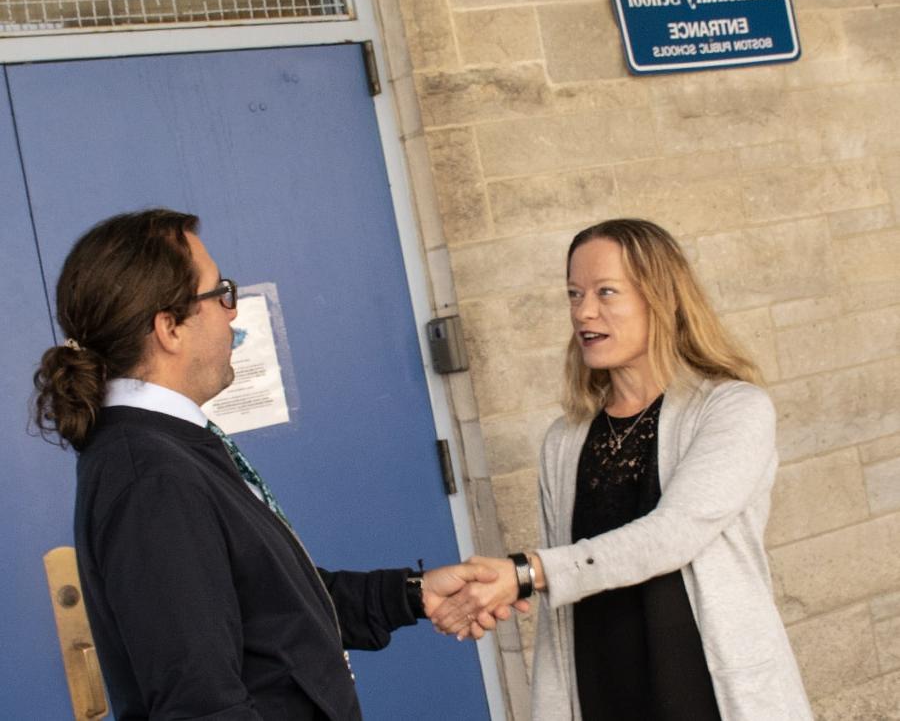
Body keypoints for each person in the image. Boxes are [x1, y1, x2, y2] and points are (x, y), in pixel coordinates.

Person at [32, 208, 516, 720]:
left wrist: (412, 594)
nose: (231, 311)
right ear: (169, 327)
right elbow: (201, 704)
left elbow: (273, 605)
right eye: (218, 294)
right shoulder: (151, 478)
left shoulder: (170, 448)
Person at [431, 218, 813, 720]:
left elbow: (673, 533)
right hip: (602, 686)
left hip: (705, 689)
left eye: (606, 292)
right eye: (573, 294)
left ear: (664, 298)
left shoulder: (732, 410)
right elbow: (560, 604)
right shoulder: (564, 441)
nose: (584, 311)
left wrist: (527, 571)